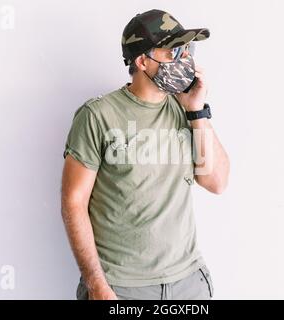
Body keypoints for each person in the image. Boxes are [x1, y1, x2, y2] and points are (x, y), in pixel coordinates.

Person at [61, 9, 230, 300]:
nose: (185, 60)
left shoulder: (186, 109)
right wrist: (97, 285)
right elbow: (73, 204)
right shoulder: (98, 116)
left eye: (187, 50)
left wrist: (197, 110)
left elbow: (217, 182)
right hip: (122, 287)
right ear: (142, 61)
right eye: (173, 52)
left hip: (188, 282)